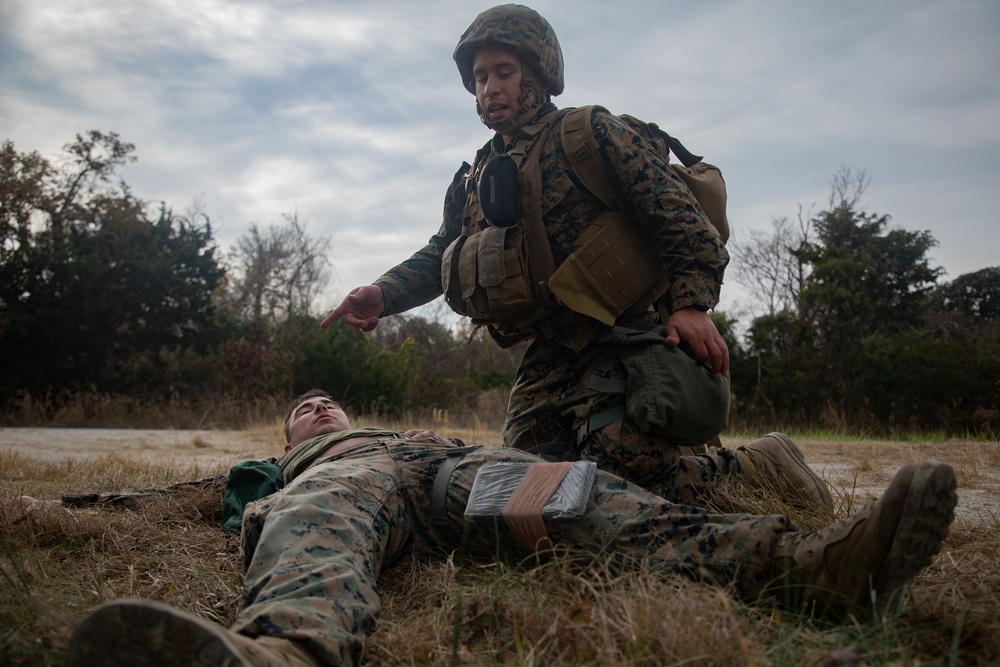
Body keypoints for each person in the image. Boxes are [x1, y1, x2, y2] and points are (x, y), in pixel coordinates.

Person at [68, 389, 958, 667]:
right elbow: (142, 506)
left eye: (324, 398)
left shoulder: (411, 430)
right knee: (316, 519)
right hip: (351, 491)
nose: (315, 404)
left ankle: (810, 566)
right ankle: (287, 651)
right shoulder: (278, 471)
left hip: (452, 472)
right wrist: (43, 510)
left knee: (582, 497)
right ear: (287, 436)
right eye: (301, 408)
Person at [320, 4, 801, 505]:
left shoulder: (589, 134)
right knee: (521, 488)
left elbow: (682, 218)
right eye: (480, 77)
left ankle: (759, 466)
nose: (490, 88)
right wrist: (382, 294)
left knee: (621, 481)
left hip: (624, 335)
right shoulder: (474, 178)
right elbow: (442, 253)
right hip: (549, 356)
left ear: (540, 74)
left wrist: (691, 304)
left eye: (504, 72)